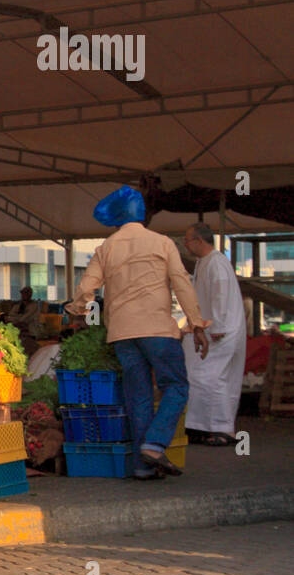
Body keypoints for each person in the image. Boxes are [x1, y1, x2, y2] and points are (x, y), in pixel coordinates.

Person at [65, 188, 210, 480]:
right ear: (142, 215)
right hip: (157, 329)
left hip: (121, 334)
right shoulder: (162, 242)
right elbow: (181, 283)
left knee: (139, 396)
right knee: (176, 386)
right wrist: (196, 324)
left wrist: (77, 311)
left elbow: (85, 289)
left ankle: (143, 467)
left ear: (117, 218)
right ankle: (155, 446)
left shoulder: (106, 248)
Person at [182, 223, 246, 445]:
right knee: (202, 376)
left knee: (212, 377)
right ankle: (201, 425)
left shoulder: (216, 263)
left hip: (220, 331)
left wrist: (217, 325)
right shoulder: (205, 262)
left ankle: (222, 428)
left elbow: (221, 295)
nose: (185, 244)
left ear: (200, 240)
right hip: (209, 328)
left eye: (188, 239)